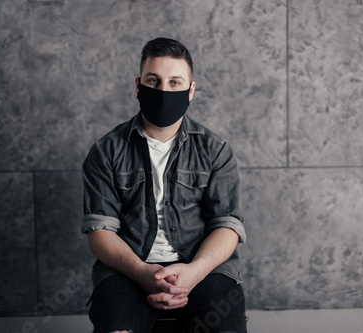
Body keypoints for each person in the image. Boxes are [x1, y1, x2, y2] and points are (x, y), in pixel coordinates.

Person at [81, 37, 247, 333]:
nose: (163, 91)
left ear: (190, 90)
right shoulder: (105, 151)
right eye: (153, 81)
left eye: (175, 82)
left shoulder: (216, 150)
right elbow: (100, 231)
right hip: (128, 269)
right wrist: (143, 273)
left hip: (202, 267)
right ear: (137, 85)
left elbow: (227, 226)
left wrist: (192, 273)